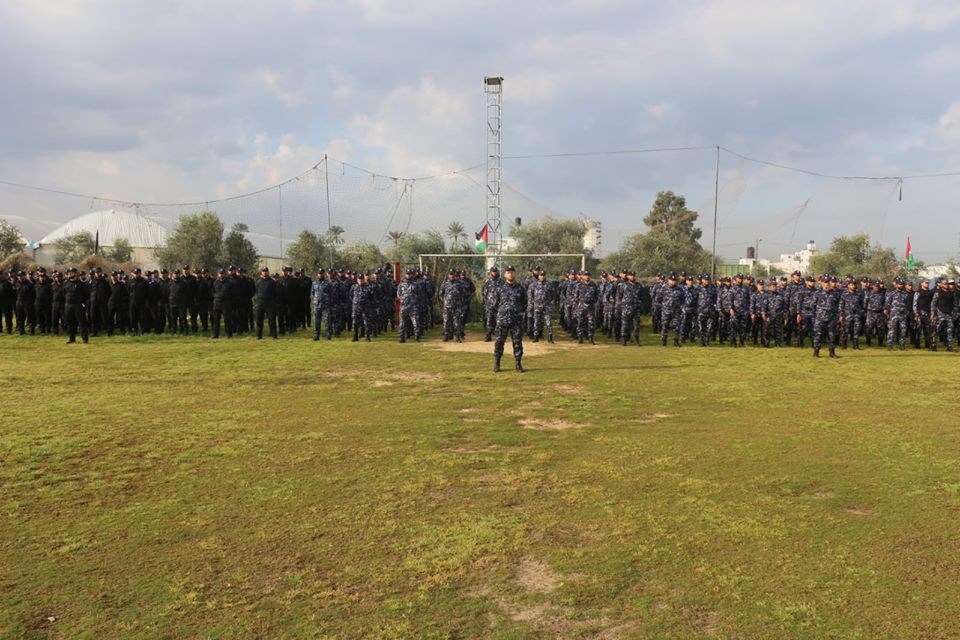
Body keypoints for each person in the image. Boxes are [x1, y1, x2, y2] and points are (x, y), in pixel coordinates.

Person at [491, 265, 526, 372]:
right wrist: (500, 315)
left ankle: (518, 364)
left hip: (516, 320)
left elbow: (525, 303)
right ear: (505, 274)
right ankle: (497, 364)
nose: (510, 274)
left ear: (515, 274)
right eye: (508, 272)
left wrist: (518, 313)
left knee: (517, 342)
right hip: (502, 320)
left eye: (512, 272)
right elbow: (494, 304)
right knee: (499, 342)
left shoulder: (520, 288)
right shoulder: (499, 288)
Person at [61, 267, 89, 344]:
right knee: (70, 323)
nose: (70, 274)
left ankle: (85, 339)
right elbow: (63, 293)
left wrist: (82, 303)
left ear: (76, 274)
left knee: (82, 323)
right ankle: (71, 338)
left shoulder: (81, 284)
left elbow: (86, 295)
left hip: (78, 306)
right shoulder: (66, 283)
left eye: (72, 272)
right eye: (69, 273)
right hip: (68, 305)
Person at [255, 266, 278, 339]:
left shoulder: (272, 282)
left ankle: (274, 335)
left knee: (272, 319)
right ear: (261, 272)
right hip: (260, 303)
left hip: (270, 303)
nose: (265, 272)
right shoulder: (258, 281)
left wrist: (273, 302)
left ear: (268, 272)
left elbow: (275, 293)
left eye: (266, 271)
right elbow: (256, 291)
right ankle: (259, 335)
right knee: (259, 320)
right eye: (263, 271)